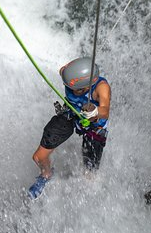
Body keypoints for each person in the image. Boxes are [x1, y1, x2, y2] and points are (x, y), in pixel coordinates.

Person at [28, 57, 111, 199]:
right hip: (71, 115)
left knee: (89, 173)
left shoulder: (101, 88)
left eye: (76, 90)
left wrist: (95, 111)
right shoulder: (65, 74)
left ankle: (89, 195)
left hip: (94, 127)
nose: (71, 91)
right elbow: (65, 71)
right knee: (38, 157)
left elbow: (105, 110)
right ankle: (46, 174)